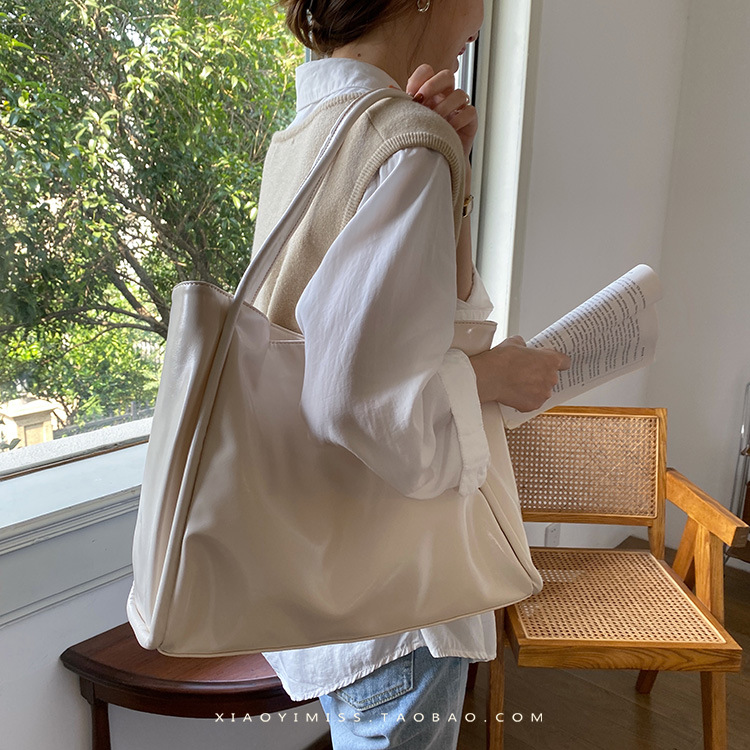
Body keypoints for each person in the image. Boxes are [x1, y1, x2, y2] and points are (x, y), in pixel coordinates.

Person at [252, 0, 571, 747]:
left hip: (330, 570)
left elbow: (396, 338)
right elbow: (353, 400)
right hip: (400, 597)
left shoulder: (309, 133)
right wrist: (495, 377)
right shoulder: (401, 143)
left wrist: (452, 173)